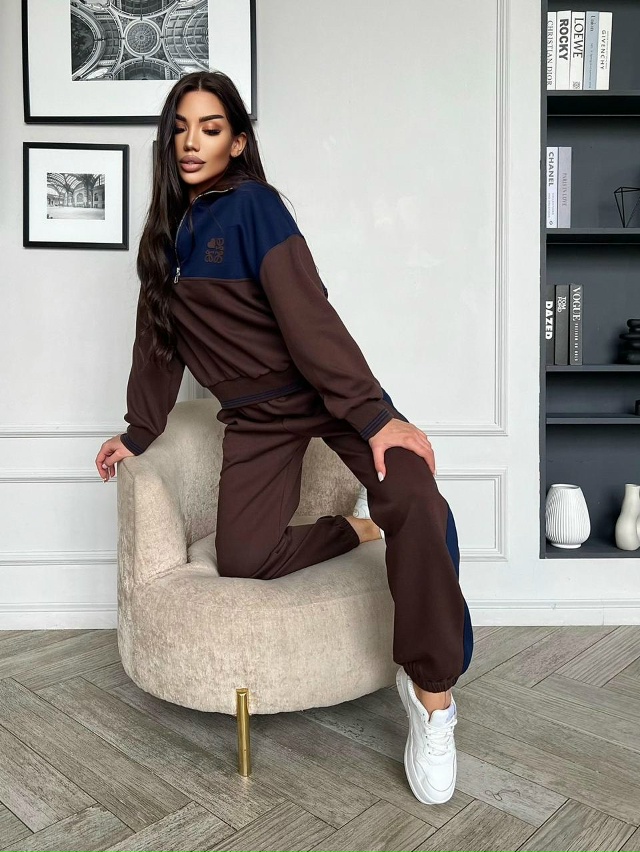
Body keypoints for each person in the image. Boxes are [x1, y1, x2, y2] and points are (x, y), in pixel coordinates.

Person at [95, 70, 474, 805]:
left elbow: (309, 315)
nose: (192, 143)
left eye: (210, 129)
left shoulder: (254, 207)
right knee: (243, 558)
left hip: (324, 393)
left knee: (419, 500)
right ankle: (356, 530)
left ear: (237, 143)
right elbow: (157, 348)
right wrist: (138, 433)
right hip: (257, 419)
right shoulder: (163, 243)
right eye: (180, 129)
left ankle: (433, 696)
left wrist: (374, 416)